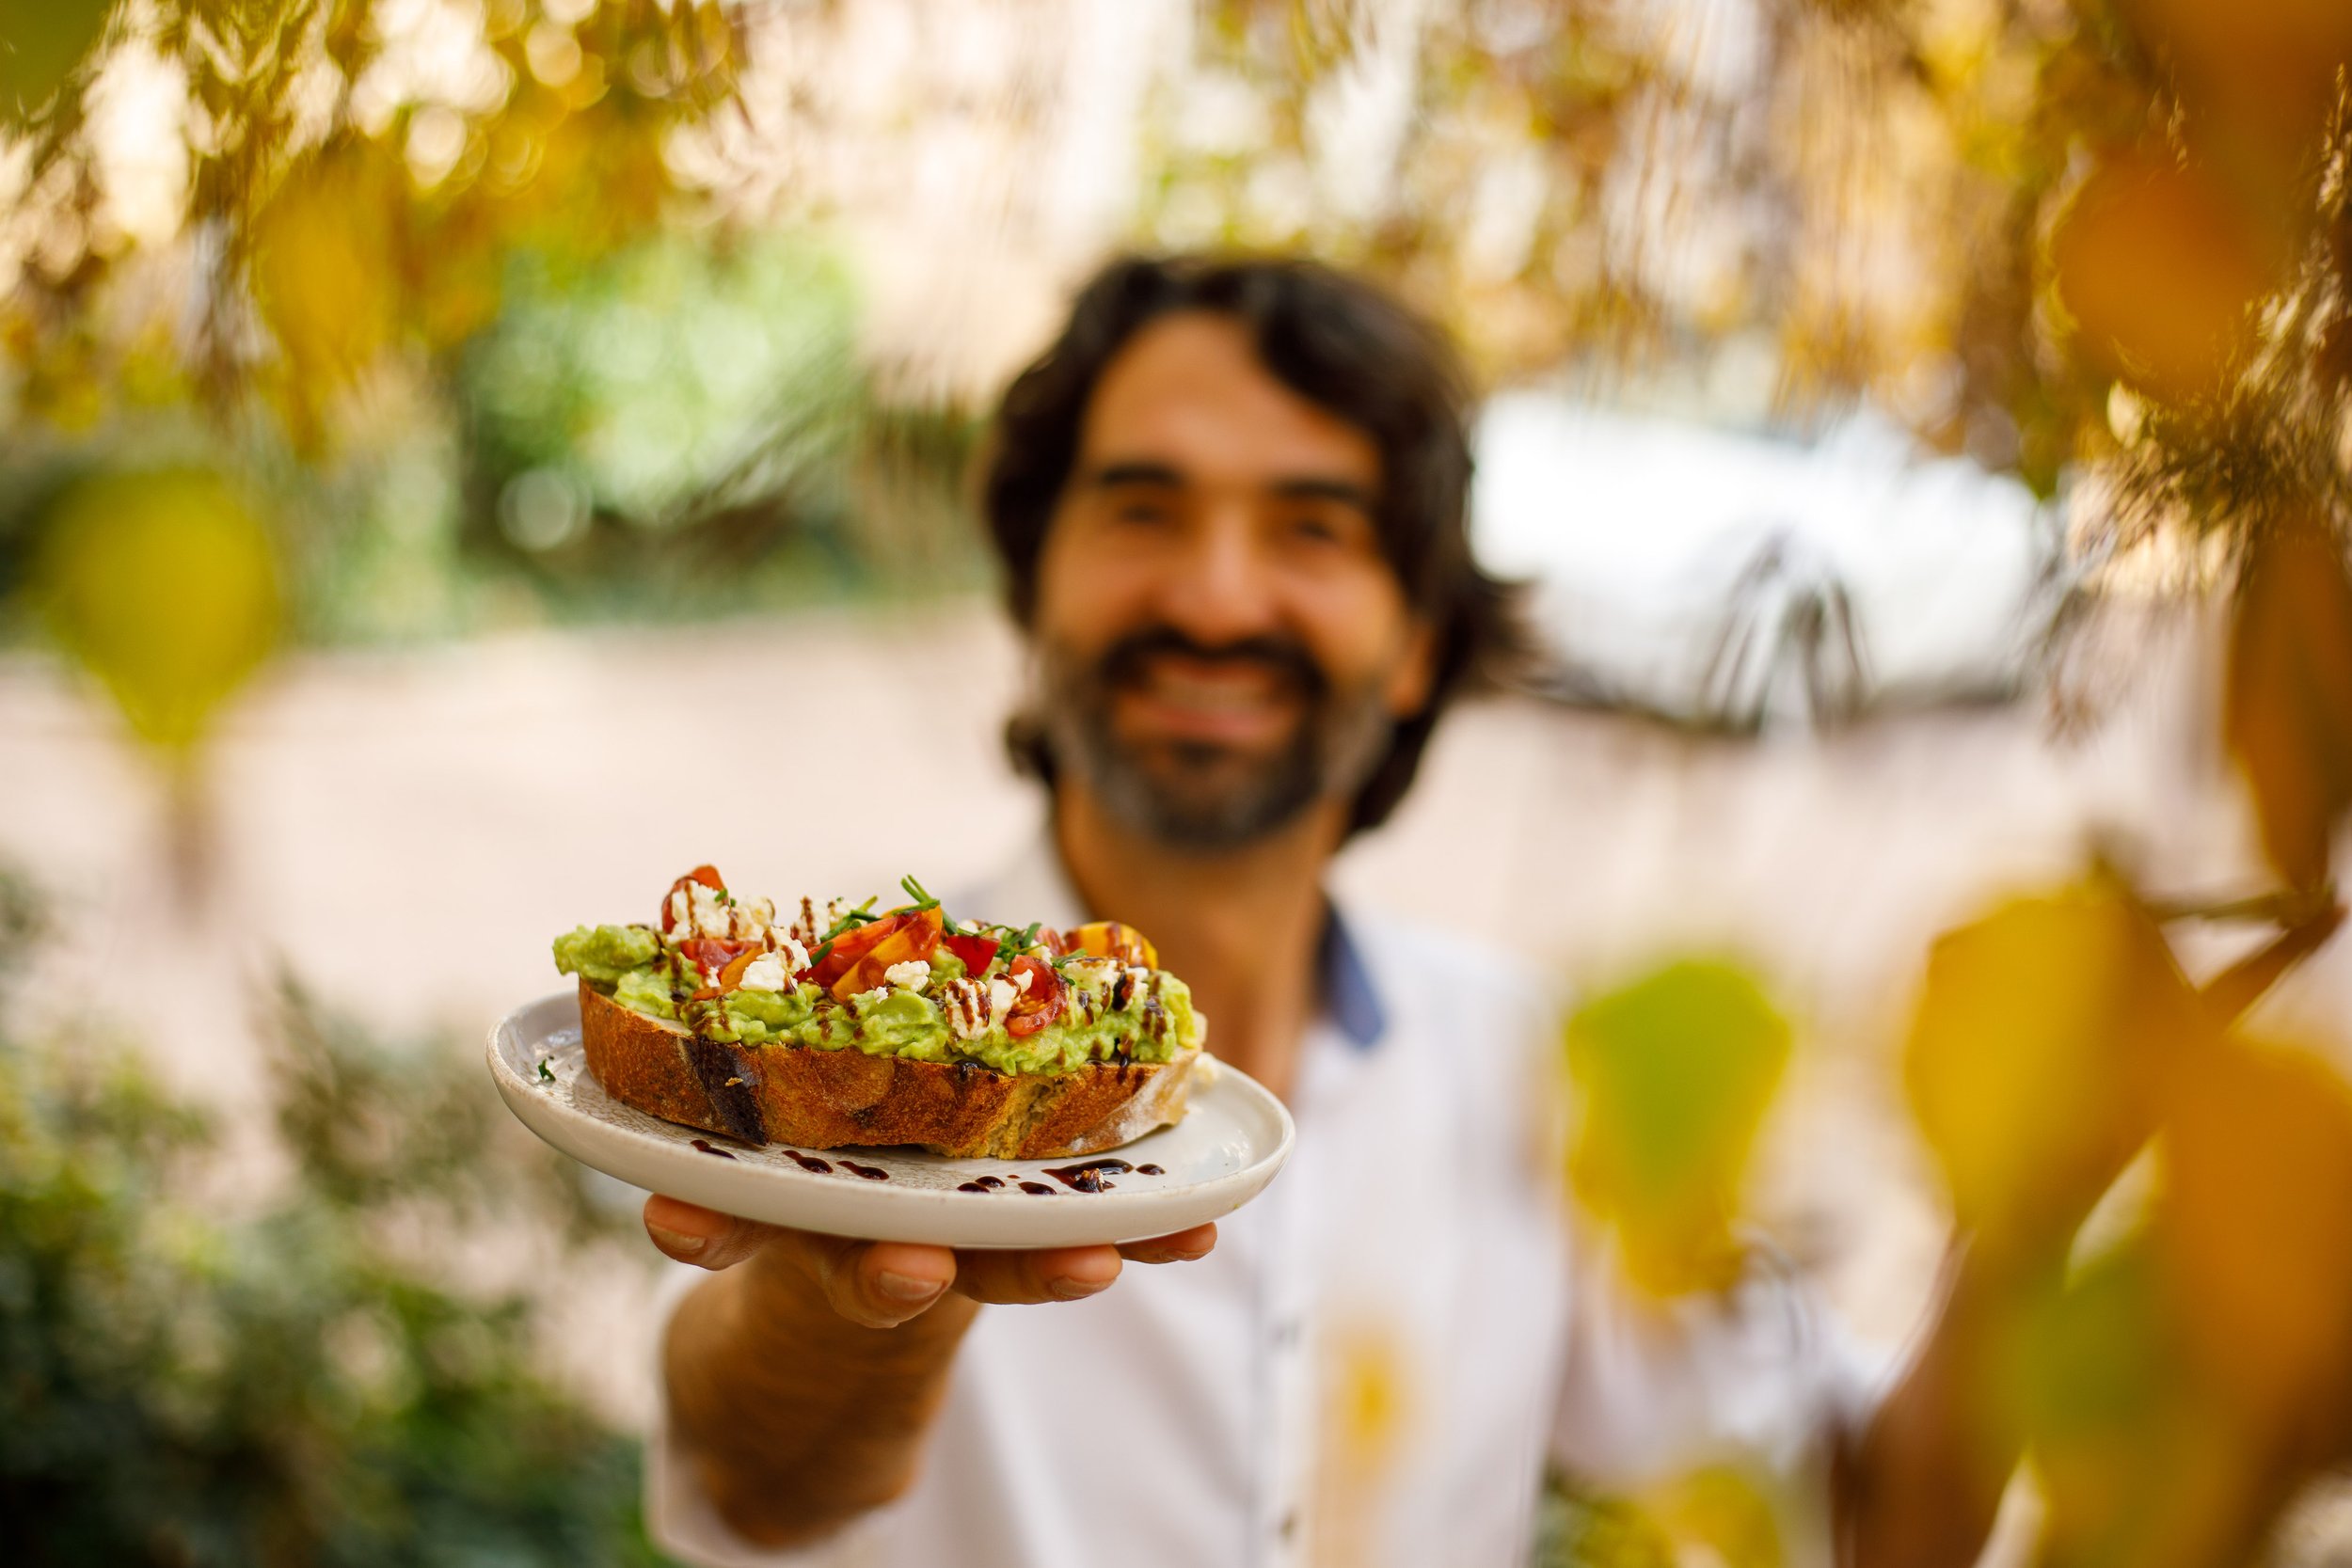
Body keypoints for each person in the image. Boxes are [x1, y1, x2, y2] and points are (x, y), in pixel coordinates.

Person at [635, 255, 2040, 1567]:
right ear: (1033, 588)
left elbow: (1865, 1522)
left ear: (1420, 642)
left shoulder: (1539, 1070)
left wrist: (2033, 1213)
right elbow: (751, 1479)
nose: (1217, 592)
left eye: (1311, 528)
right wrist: (859, 1304)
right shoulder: (837, 1054)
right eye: (1144, 508)